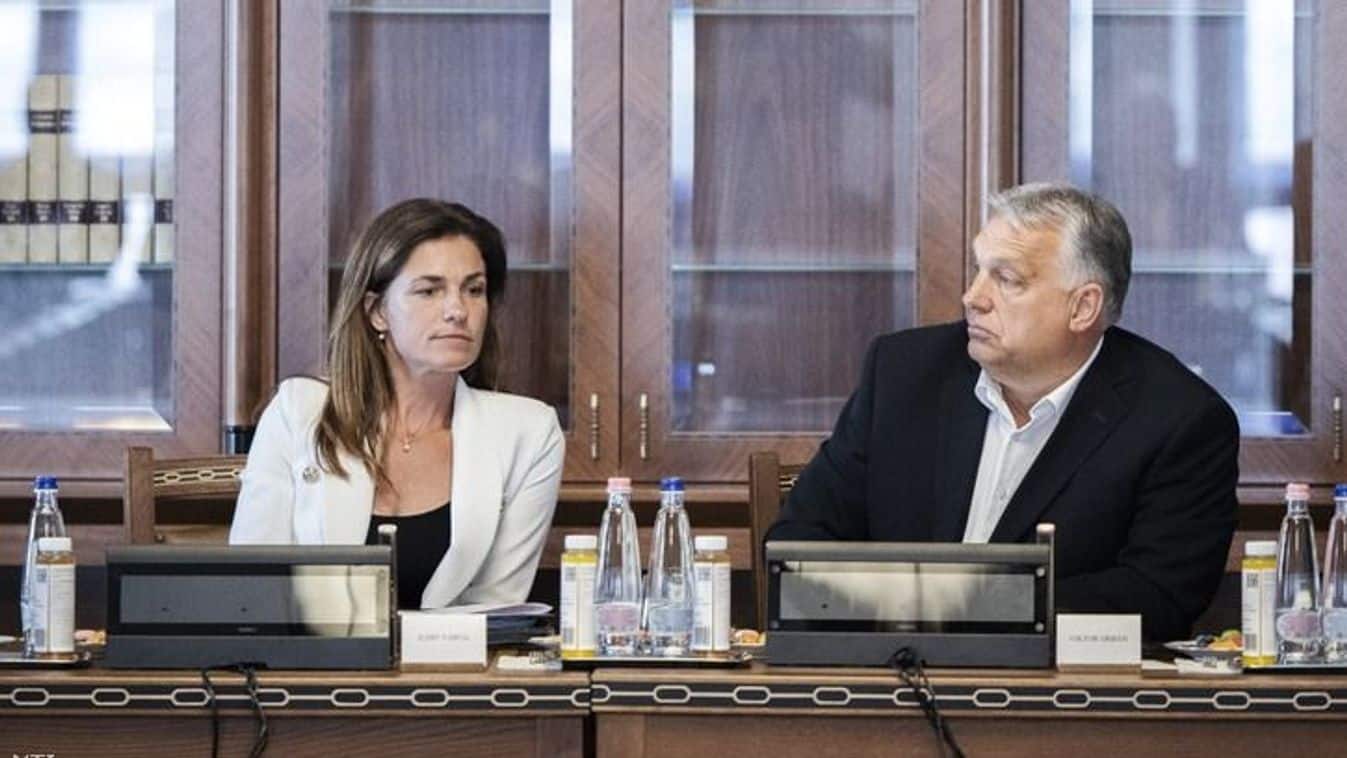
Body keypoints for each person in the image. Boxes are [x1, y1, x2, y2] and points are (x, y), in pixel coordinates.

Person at [766, 183, 1239, 641]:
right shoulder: (904, 374)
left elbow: (1158, 596)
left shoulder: (1179, 420)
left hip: (1060, 688)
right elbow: (798, 540)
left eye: (1007, 279)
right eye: (978, 270)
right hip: (886, 671)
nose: (973, 297)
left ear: (1083, 307)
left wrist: (961, 607)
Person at [231, 198, 564, 609]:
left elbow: (496, 609)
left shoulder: (528, 433)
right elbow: (252, 589)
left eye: (474, 290)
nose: (458, 311)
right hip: (308, 652)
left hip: (459, 653)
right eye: (429, 290)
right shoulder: (299, 413)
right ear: (377, 312)